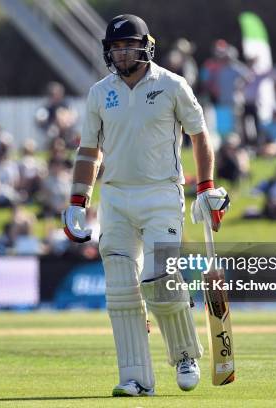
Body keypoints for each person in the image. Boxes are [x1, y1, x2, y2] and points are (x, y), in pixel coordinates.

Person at [62, 14, 230, 397]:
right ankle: (135, 378)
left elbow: (199, 136)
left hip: (161, 195)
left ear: (145, 46)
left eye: (127, 46)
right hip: (116, 198)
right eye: (115, 48)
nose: (120, 54)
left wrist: (206, 187)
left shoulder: (173, 85)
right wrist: (77, 199)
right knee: (121, 289)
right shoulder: (99, 92)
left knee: (160, 280)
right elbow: (90, 150)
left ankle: (186, 354)